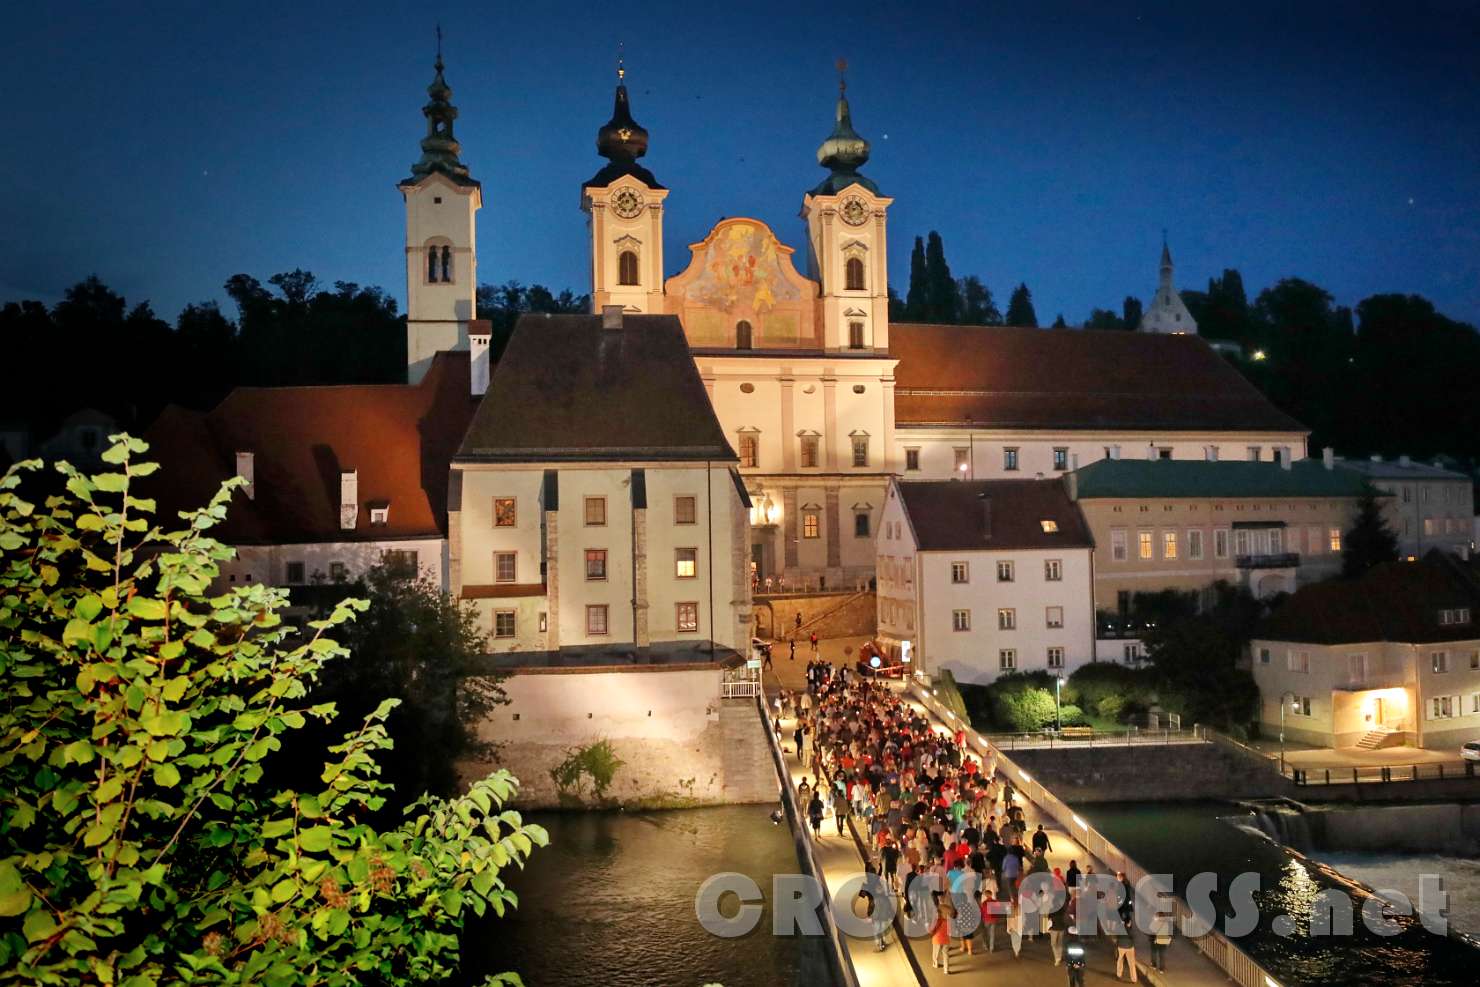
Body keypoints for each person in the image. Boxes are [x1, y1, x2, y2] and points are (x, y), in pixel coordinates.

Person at [929, 891, 954, 972]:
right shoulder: (948, 908)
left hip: (937, 934)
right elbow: (953, 917)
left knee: (935, 951)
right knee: (945, 952)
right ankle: (946, 970)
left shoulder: (934, 909)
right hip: (946, 932)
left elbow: (933, 922)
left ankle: (935, 963)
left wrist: (931, 930)